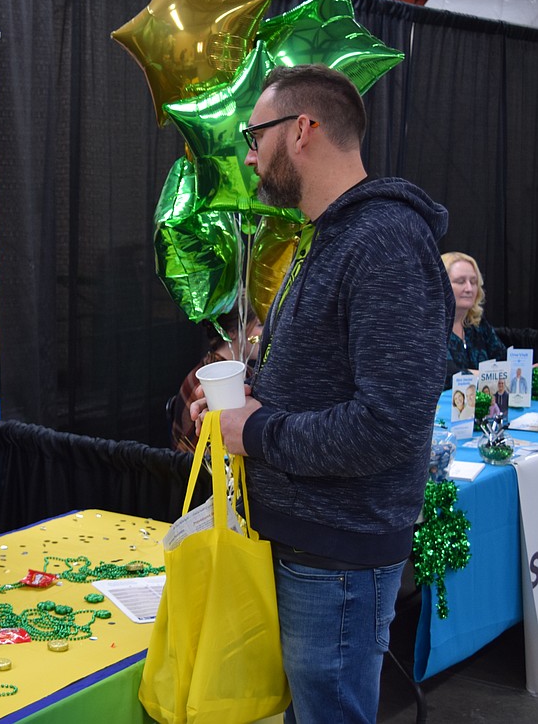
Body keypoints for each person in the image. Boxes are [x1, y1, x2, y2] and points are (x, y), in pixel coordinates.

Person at [191, 64, 452, 723]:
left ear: (303, 129)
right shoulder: (332, 238)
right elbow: (327, 385)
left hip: (337, 555)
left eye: (256, 135)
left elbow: (388, 423)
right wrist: (246, 398)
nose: (249, 155)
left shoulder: (384, 240)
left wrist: (255, 431)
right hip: (308, 544)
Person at [170, 309, 262, 452]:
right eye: (260, 325)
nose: (267, 332)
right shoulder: (206, 383)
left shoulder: (250, 374)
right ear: (232, 332)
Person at [442, 251, 506, 376]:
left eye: (473, 282)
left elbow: (503, 361)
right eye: (461, 282)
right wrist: (491, 375)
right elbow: (447, 375)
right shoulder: (429, 328)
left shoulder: (479, 325)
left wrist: (527, 369)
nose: (469, 289)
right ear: (440, 285)